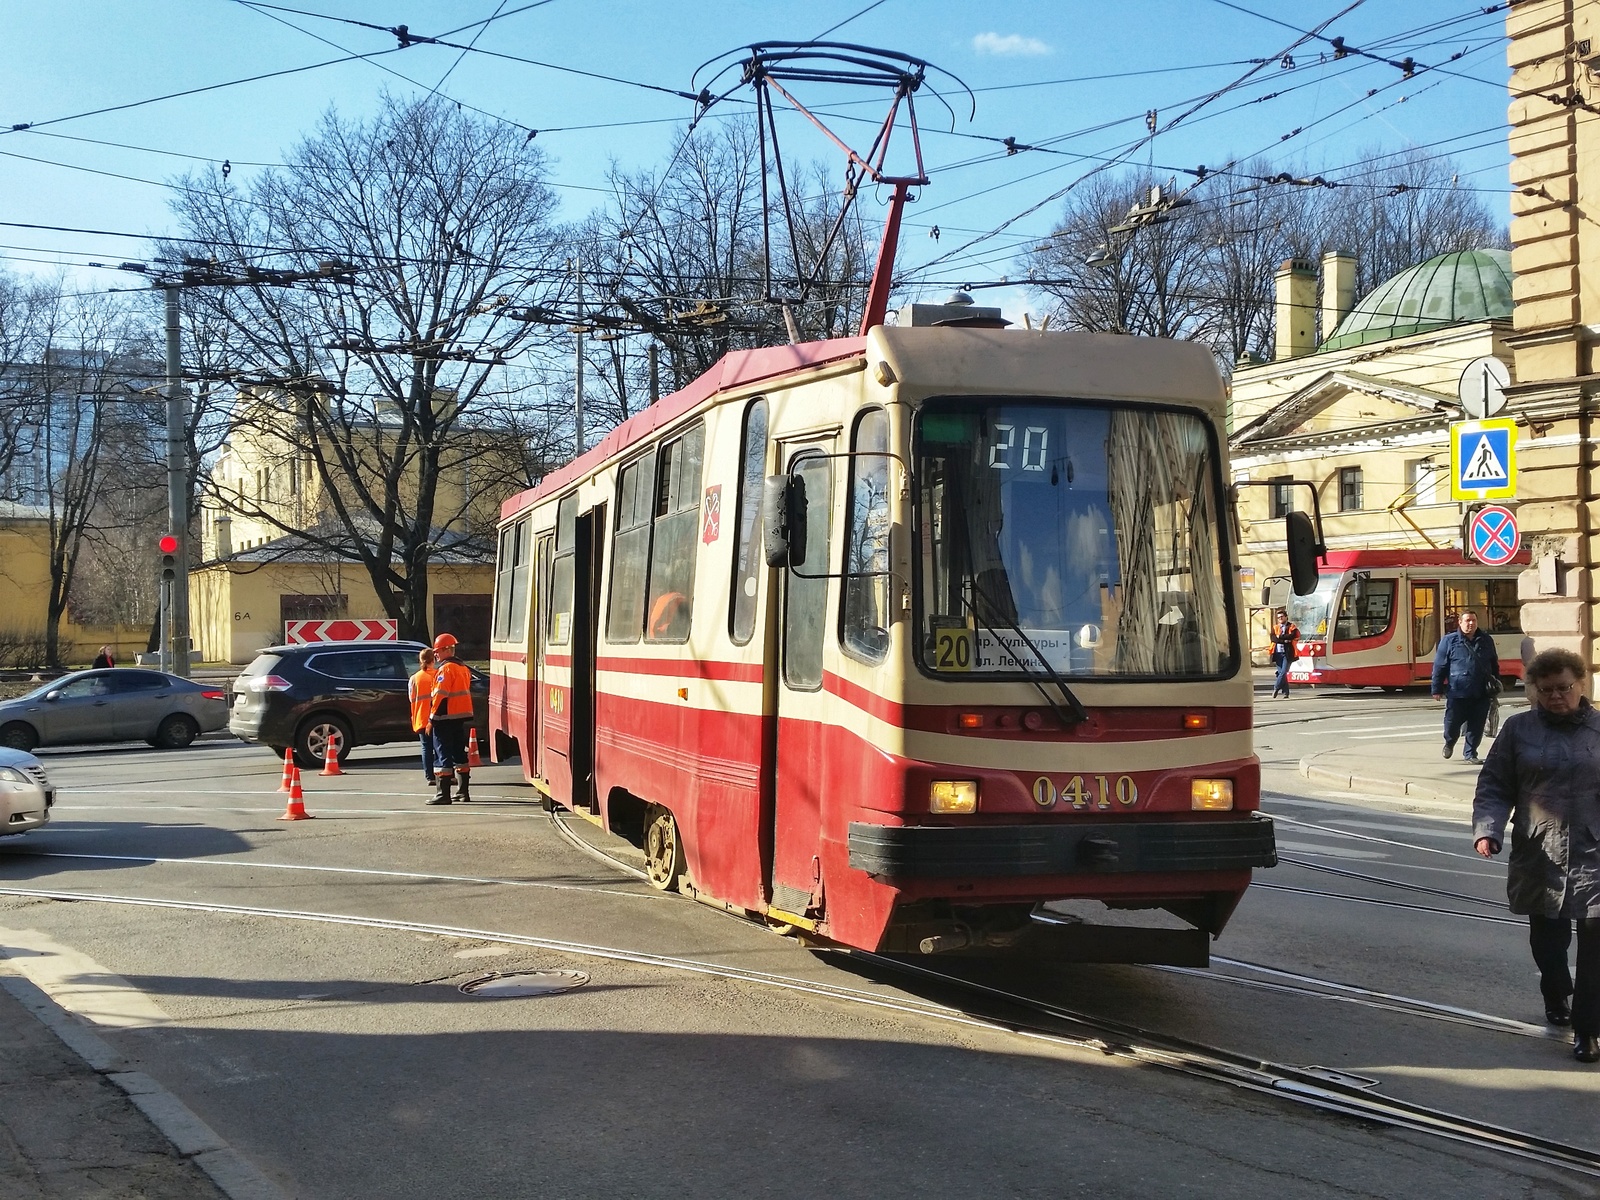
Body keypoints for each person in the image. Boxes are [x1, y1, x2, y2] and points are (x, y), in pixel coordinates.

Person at [1472, 647, 1600, 1063]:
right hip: (1540, 850)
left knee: (1596, 945)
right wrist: (1487, 830)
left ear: (1581, 684)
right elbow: (1494, 784)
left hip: (1594, 851)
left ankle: (1588, 1029)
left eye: (1564, 688)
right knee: (1549, 942)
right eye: (1546, 690)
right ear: (1534, 691)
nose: (1556, 697)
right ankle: (1556, 989)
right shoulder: (1518, 730)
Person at [1431, 609, 1500, 763]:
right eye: (1467, 621)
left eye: (1473, 621)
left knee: (1477, 725)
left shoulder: (1486, 640)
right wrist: (1436, 689)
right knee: (1452, 723)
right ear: (1460, 623)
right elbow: (1439, 666)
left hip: (1481, 692)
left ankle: (1470, 754)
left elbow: (1494, 664)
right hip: (1457, 692)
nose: (1471, 624)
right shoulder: (1449, 641)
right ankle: (1449, 742)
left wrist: (1495, 684)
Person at [428, 632, 474, 806]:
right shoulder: (463, 668)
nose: (436, 655)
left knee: (442, 755)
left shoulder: (446, 669)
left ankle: (443, 794)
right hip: (459, 716)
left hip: (444, 717)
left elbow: (440, 695)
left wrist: (432, 719)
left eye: (438, 651)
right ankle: (463, 792)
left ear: (447, 650)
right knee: (459, 754)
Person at [408, 647, 438, 789]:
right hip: (437, 717)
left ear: (420, 661)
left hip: (420, 717)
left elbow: (411, 698)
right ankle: (442, 774)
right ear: (434, 660)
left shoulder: (414, 678)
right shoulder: (438, 675)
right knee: (439, 747)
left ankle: (429, 776)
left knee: (426, 747)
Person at [1269, 609, 1299, 698]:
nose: (1280, 619)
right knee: (1281, 672)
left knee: (1284, 672)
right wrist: (1284, 640)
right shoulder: (1275, 627)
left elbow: (1293, 636)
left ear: (1286, 617)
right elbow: (1273, 638)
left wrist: (1280, 637)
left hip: (1288, 653)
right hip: (1278, 653)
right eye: (1278, 618)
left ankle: (1276, 688)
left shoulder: (1292, 626)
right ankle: (1286, 692)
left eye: (1282, 617)